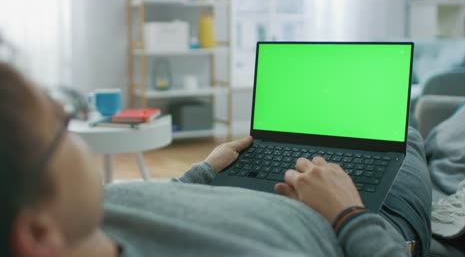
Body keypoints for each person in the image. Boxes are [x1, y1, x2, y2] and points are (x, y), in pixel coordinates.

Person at [0, 63, 431, 257]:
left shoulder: (88, 216)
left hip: (278, 188)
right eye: (63, 126)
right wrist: (348, 213)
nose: (81, 137)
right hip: (363, 223)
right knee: (405, 135)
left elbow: (161, 206)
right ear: (39, 234)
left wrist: (204, 171)